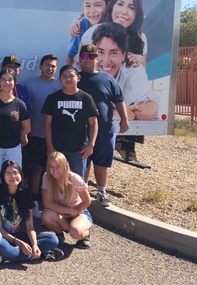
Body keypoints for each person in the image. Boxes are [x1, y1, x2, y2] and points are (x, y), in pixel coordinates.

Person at [78, 44, 129, 207]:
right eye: (85, 56)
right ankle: (82, 194)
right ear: (80, 60)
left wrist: (124, 119)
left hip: (105, 129)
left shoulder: (107, 79)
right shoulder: (75, 78)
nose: (89, 59)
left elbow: (119, 99)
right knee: (83, 162)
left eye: (92, 56)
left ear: (97, 59)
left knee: (102, 162)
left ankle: (101, 192)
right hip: (81, 131)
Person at [0, 160, 62, 262]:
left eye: (15, 173)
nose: (12, 176)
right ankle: (38, 255)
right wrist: (20, 243)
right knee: (2, 247)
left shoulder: (25, 194)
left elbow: (30, 226)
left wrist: (34, 245)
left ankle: (12, 256)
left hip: (20, 235)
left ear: (20, 175)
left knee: (53, 239)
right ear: (3, 176)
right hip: (4, 237)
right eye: (8, 174)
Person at [93, 22, 159, 120]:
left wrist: (126, 114)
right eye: (100, 52)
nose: (106, 61)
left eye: (113, 53)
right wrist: (116, 113)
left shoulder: (133, 71)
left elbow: (151, 110)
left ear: (123, 55)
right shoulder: (86, 72)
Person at [42, 65, 98, 179]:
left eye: (71, 76)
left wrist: (91, 145)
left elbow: (93, 123)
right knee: (56, 182)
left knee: (77, 183)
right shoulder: (53, 98)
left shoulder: (86, 98)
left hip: (79, 150)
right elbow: (47, 124)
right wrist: (50, 147)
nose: (68, 79)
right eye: (64, 76)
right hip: (58, 149)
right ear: (60, 79)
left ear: (78, 78)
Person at [24, 54, 62, 218]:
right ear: (40, 66)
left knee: (55, 171)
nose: (50, 68)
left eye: (53, 66)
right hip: (37, 134)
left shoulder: (60, 85)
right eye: (47, 65)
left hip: (58, 137)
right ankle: (34, 202)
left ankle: (54, 203)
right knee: (36, 170)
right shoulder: (31, 85)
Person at [0, 68, 30, 191]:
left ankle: (11, 207)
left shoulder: (20, 104)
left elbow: (27, 127)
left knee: (13, 180)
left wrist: (17, 137)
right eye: (3, 80)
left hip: (13, 149)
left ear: (15, 82)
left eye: (10, 80)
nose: (6, 82)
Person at [81, 0, 147, 68]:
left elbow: (142, 76)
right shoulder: (92, 32)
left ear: (136, 13)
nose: (124, 12)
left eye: (131, 8)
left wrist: (140, 62)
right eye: (120, 4)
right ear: (112, 6)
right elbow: (82, 70)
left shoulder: (141, 38)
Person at [41, 152, 93, 249]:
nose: (54, 170)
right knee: (46, 215)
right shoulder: (46, 177)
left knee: (75, 231)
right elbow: (47, 203)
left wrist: (75, 211)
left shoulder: (74, 178)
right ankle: (59, 234)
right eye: (51, 167)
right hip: (62, 212)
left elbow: (87, 201)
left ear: (65, 165)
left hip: (78, 212)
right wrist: (68, 211)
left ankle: (85, 234)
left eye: (58, 166)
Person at [66, 0, 111, 66]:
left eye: (98, 5)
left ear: (108, 6)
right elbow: (70, 56)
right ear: (82, 8)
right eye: (88, 6)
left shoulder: (111, 26)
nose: (92, 11)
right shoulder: (79, 26)